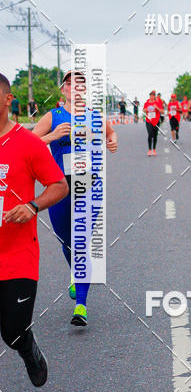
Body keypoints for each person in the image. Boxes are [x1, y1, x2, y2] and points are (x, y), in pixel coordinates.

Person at [0, 73, 69, 392]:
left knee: (11, 331)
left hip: (16, 257)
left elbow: (58, 185)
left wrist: (32, 205)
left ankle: (27, 348)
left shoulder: (27, 143)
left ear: (9, 99)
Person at [33, 70, 118, 326]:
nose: (75, 87)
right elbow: (29, 142)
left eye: (80, 83)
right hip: (58, 185)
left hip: (88, 184)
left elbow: (111, 133)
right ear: (63, 90)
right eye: (70, 83)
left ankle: (81, 304)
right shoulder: (54, 116)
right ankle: (76, 275)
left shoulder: (95, 117)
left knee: (80, 242)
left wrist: (112, 142)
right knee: (66, 241)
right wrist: (53, 136)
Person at [143, 90, 161, 155]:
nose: (152, 96)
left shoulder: (157, 103)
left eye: (153, 95)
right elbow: (144, 110)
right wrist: (147, 109)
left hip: (156, 121)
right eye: (151, 95)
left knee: (155, 135)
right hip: (148, 121)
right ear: (149, 96)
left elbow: (162, 111)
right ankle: (149, 150)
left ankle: (154, 149)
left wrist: (157, 108)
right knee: (150, 134)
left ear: (154, 96)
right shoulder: (147, 103)